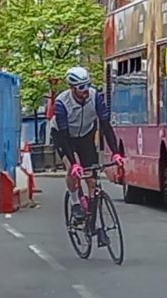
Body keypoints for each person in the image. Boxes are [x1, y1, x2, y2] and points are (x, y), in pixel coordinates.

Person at [52, 66, 123, 224]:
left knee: (91, 179)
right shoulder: (61, 103)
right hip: (64, 136)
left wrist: (116, 152)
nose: (86, 90)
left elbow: (105, 125)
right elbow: (64, 136)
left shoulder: (95, 96)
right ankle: (76, 203)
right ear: (72, 88)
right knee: (72, 167)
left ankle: (92, 219)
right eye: (81, 87)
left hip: (85, 134)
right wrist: (75, 163)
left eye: (88, 85)